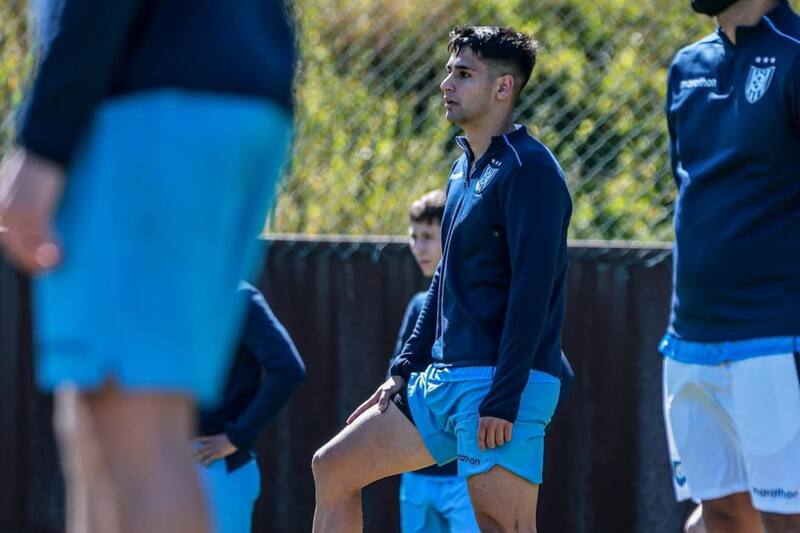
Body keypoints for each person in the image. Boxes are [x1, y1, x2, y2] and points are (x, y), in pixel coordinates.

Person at [0, 1, 296, 532]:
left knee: (139, 425)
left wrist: (44, 142)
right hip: (228, 77)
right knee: (101, 414)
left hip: (146, 93)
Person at [312, 25, 572, 533]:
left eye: (464, 73)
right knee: (334, 468)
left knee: (501, 527)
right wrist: (402, 369)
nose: (446, 84)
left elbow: (532, 294)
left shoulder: (531, 170)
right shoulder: (462, 171)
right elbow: (444, 281)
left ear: (504, 89)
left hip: (499, 384)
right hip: (441, 379)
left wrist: (503, 398)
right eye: (449, 71)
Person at [661, 1, 800, 532]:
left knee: (786, 519)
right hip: (689, 341)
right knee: (717, 514)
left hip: (776, 340)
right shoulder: (685, 67)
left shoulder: (794, 56)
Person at [392, 190, 480, 533]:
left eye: (428, 237)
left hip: (464, 473)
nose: (419, 247)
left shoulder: (474, 304)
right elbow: (400, 373)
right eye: (414, 237)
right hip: (416, 472)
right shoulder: (418, 306)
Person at [194, 282, 306, 533]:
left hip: (217, 467)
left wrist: (237, 436)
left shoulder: (238, 296)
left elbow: (288, 369)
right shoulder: (169, 293)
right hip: (169, 465)